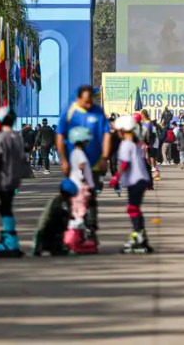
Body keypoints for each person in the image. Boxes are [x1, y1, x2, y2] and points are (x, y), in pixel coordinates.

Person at [56, 86, 112, 235]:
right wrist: (63, 160)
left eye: (91, 101)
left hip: (95, 163)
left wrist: (105, 157)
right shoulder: (69, 113)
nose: (89, 104)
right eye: (86, 101)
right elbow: (60, 136)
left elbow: (107, 135)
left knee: (90, 196)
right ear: (78, 98)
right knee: (74, 196)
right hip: (74, 164)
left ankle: (90, 228)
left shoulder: (98, 112)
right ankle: (75, 227)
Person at [0, 106, 26, 258]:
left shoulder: (1, 137)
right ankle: (10, 238)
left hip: (3, 178)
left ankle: (9, 240)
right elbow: (23, 157)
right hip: (15, 178)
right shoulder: (17, 137)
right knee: (7, 206)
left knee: (4, 207)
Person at [109, 114, 154, 253]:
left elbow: (125, 163)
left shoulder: (126, 145)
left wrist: (116, 177)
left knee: (132, 208)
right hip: (141, 179)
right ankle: (140, 234)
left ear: (122, 130)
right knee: (135, 208)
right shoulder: (136, 143)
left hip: (135, 180)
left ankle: (138, 235)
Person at [64, 126, 98, 253]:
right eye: (86, 141)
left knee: (79, 212)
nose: (88, 142)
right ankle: (80, 237)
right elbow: (82, 166)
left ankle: (78, 238)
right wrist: (85, 183)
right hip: (81, 187)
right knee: (83, 213)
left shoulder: (74, 153)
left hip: (77, 186)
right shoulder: (79, 153)